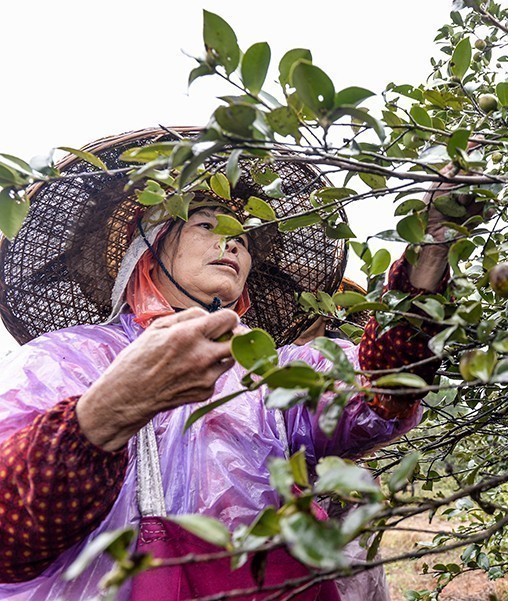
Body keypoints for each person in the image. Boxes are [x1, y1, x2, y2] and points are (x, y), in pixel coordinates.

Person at [0, 128, 476, 599]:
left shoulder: (272, 372)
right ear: (148, 251)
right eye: (207, 224)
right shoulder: (63, 360)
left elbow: (379, 392)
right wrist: (109, 410)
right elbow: (9, 530)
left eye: (243, 239)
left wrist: (430, 252)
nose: (232, 242)